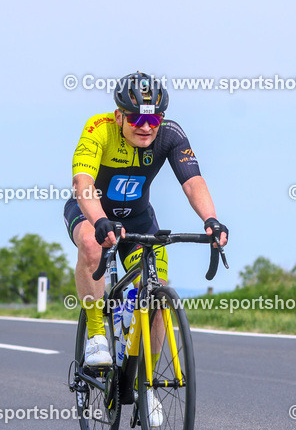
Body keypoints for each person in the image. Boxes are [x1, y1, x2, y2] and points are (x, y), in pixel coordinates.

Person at [63, 71, 228, 369]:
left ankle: (145, 381)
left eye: (153, 119)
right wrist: (99, 220)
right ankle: (97, 336)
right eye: (137, 118)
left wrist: (211, 220)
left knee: (157, 296)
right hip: (92, 213)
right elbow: (83, 183)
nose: (146, 127)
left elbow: (193, 182)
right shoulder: (99, 129)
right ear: (119, 116)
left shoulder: (170, 134)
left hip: (138, 220)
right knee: (90, 242)